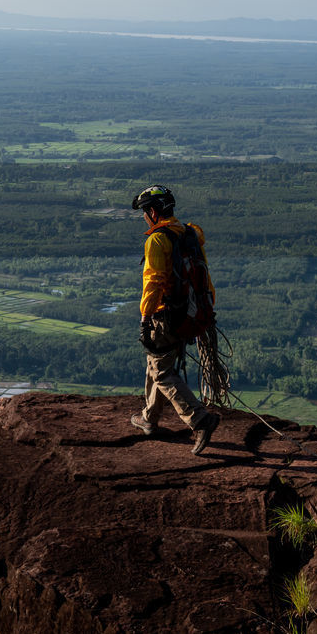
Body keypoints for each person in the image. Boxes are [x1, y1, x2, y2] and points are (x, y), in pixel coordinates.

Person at [128, 184, 220, 455]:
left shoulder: (157, 240)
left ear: (154, 212)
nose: (145, 217)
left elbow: (153, 282)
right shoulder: (190, 233)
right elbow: (203, 273)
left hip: (165, 314)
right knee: (157, 363)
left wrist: (145, 318)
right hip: (191, 313)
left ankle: (199, 420)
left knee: (162, 370)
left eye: (146, 212)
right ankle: (150, 418)